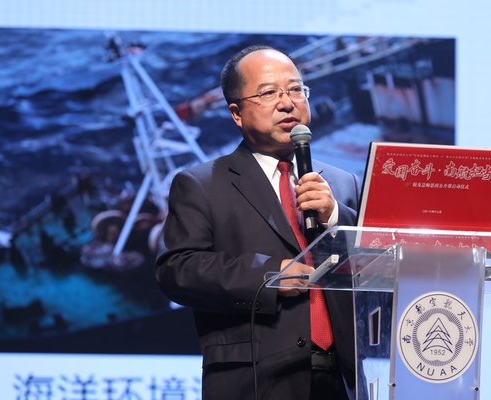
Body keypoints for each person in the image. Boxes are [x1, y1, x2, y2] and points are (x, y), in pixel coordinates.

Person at [154, 45, 362, 400]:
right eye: (269, 93)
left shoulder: (344, 184)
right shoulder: (201, 184)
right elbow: (177, 271)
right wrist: (268, 276)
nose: (287, 103)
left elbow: (378, 266)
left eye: (296, 89)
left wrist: (335, 218)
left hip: (344, 382)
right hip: (256, 382)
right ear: (236, 113)